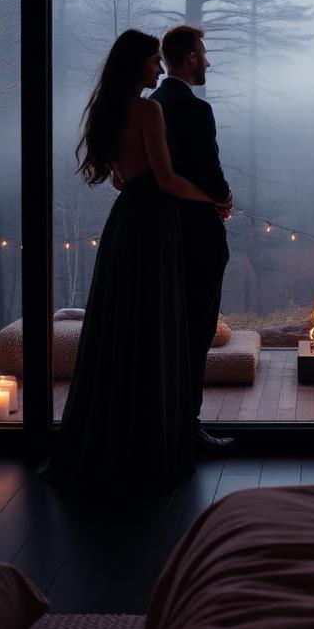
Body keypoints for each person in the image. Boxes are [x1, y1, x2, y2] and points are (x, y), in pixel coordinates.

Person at [39, 29, 230, 492]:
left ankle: (119, 436)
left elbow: (120, 182)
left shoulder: (107, 111)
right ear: (137, 64)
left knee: (124, 328)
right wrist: (214, 200)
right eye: (152, 61)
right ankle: (159, 441)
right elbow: (166, 179)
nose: (158, 68)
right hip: (154, 225)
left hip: (124, 224)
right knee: (158, 329)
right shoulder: (148, 111)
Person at [150, 25, 237, 461]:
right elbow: (208, 168)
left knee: (164, 333)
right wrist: (223, 199)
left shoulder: (152, 105)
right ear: (188, 57)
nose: (208, 61)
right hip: (198, 235)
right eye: (203, 53)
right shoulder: (195, 109)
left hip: (158, 232)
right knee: (196, 332)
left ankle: (159, 426)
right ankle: (188, 428)